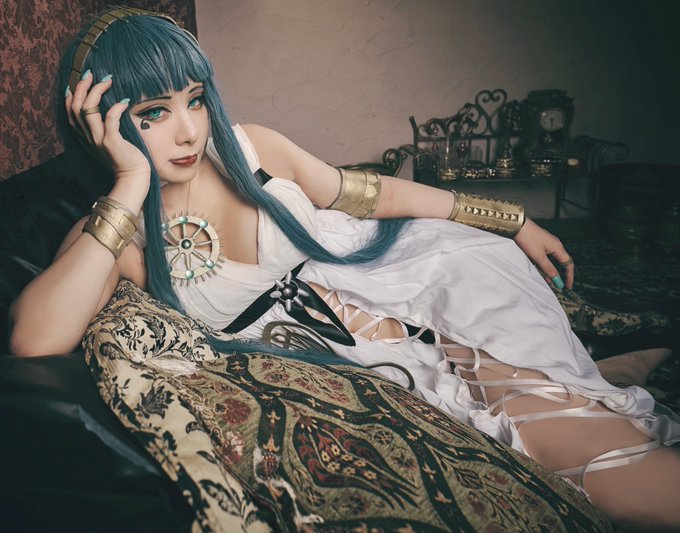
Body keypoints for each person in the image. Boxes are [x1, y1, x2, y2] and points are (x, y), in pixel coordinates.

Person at [8, 7, 680, 530]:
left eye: (195, 98)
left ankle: (592, 378)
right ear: (99, 124)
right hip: (360, 369)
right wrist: (128, 184)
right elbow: (34, 339)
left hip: (404, 289)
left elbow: (371, 196)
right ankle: (597, 379)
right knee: (581, 463)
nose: (188, 131)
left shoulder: (250, 148)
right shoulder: (118, 234)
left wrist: (510, 219)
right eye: (153, 114)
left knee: (594, 450)